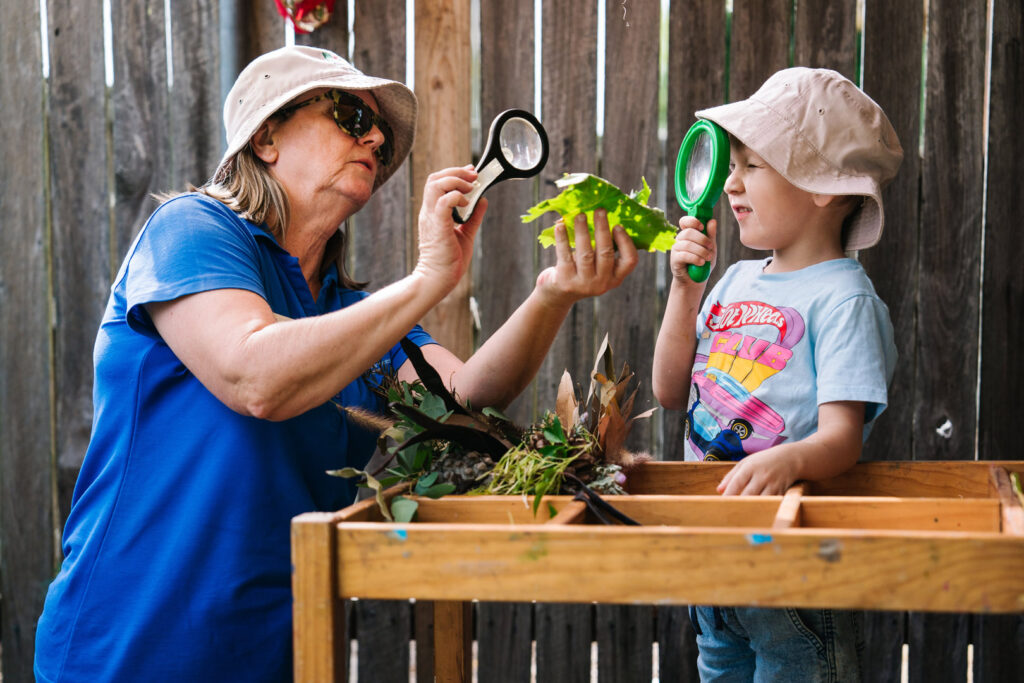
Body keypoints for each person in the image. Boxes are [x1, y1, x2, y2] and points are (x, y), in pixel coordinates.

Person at [34, 45, 638, 682]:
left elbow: (462, 399)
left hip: (274, 653)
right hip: (128, 649)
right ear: (267, 136)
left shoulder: (349, 311)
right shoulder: (189, 229)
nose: (376, 137)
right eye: (351, 115)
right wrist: (428, 280)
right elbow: (256, 377)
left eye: (377, 130)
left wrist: (553, 294)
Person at [653, 67, 901, 681]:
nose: (731, 182)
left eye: (753, 165)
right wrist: (685, 297)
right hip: (716, 557)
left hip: (793, 571)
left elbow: (842, 437)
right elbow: (668, 392)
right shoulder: (735, 280)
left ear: (823, 187)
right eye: (731, 164)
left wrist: (787, 461)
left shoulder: (845, 301)